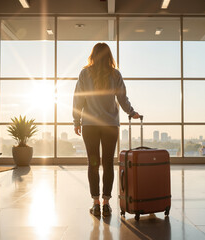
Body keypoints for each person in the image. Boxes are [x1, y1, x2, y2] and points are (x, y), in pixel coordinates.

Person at [72, 43, 140, 217]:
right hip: (110, 125)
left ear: (93, 55)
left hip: (90, 125)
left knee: (93, 163)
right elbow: (122, 98)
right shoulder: (115, 74)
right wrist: (131, 112)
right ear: (109, 55)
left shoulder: (85, 73)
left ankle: (95, 203)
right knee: (108, 163)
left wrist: (76, 121)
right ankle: (106, 204)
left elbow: (78, 99)